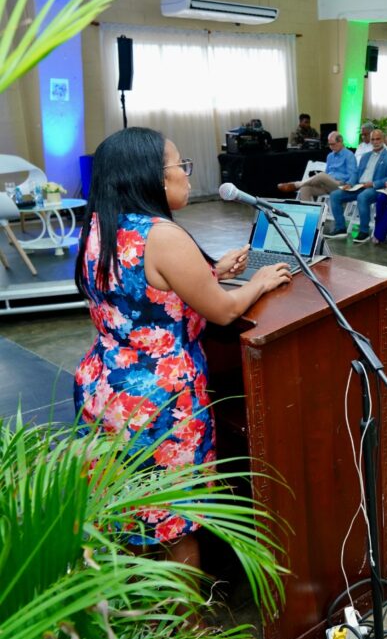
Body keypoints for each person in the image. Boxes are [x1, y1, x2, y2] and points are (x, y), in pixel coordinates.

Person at [74, 127, 291, 561]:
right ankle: (185, 608)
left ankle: (137, 597)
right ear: (152, 177)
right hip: (160, 403)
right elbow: (225, 311)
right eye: (181, 166)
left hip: (105, 387)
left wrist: (212, 272)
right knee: (176, 522)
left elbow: (139, 294)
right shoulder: (163, 235)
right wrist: (261, 281)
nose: (187, 175)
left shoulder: (99, 225)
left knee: (128, 510)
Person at [324, 129, 387, 241]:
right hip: (359, 186)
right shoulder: (365, 156)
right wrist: (350, 183)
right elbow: (356, 173)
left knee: (363, 197)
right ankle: (340, 228)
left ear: (383, 139)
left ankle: (364, 231)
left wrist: (373, 183)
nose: (375, 142)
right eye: (373, 139)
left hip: (375, 188)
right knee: (335, 195)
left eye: (378, 139)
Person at [277, 131, 355, 201]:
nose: (331, 147)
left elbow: (353, 174)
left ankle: (297, 184)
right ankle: (309, 212)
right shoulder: (330, 156)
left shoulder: (349, 155)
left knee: (321, 175)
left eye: (333, 144)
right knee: (305, 188)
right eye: (329, 144)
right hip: (327, 184)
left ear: (340, 142)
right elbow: (327, 173)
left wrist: (350, 184)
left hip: (340, 185)